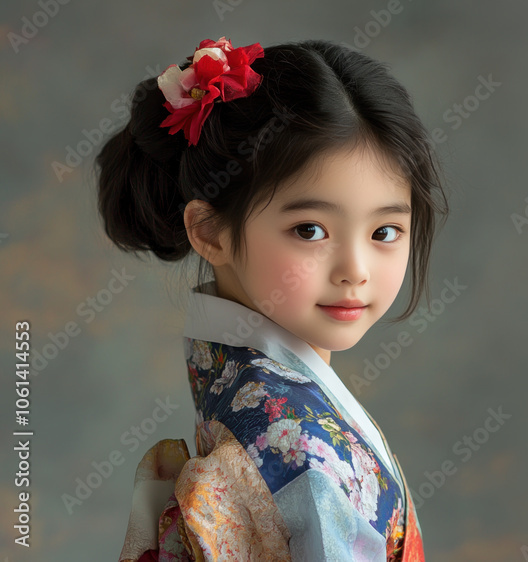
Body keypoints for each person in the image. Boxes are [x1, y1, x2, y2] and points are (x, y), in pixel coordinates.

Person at [94, 36, 449, 561]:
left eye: (385, 231)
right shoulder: (302, 453)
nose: (355, 270)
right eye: (309, 230)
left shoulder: (233, 368)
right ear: (210, 230)